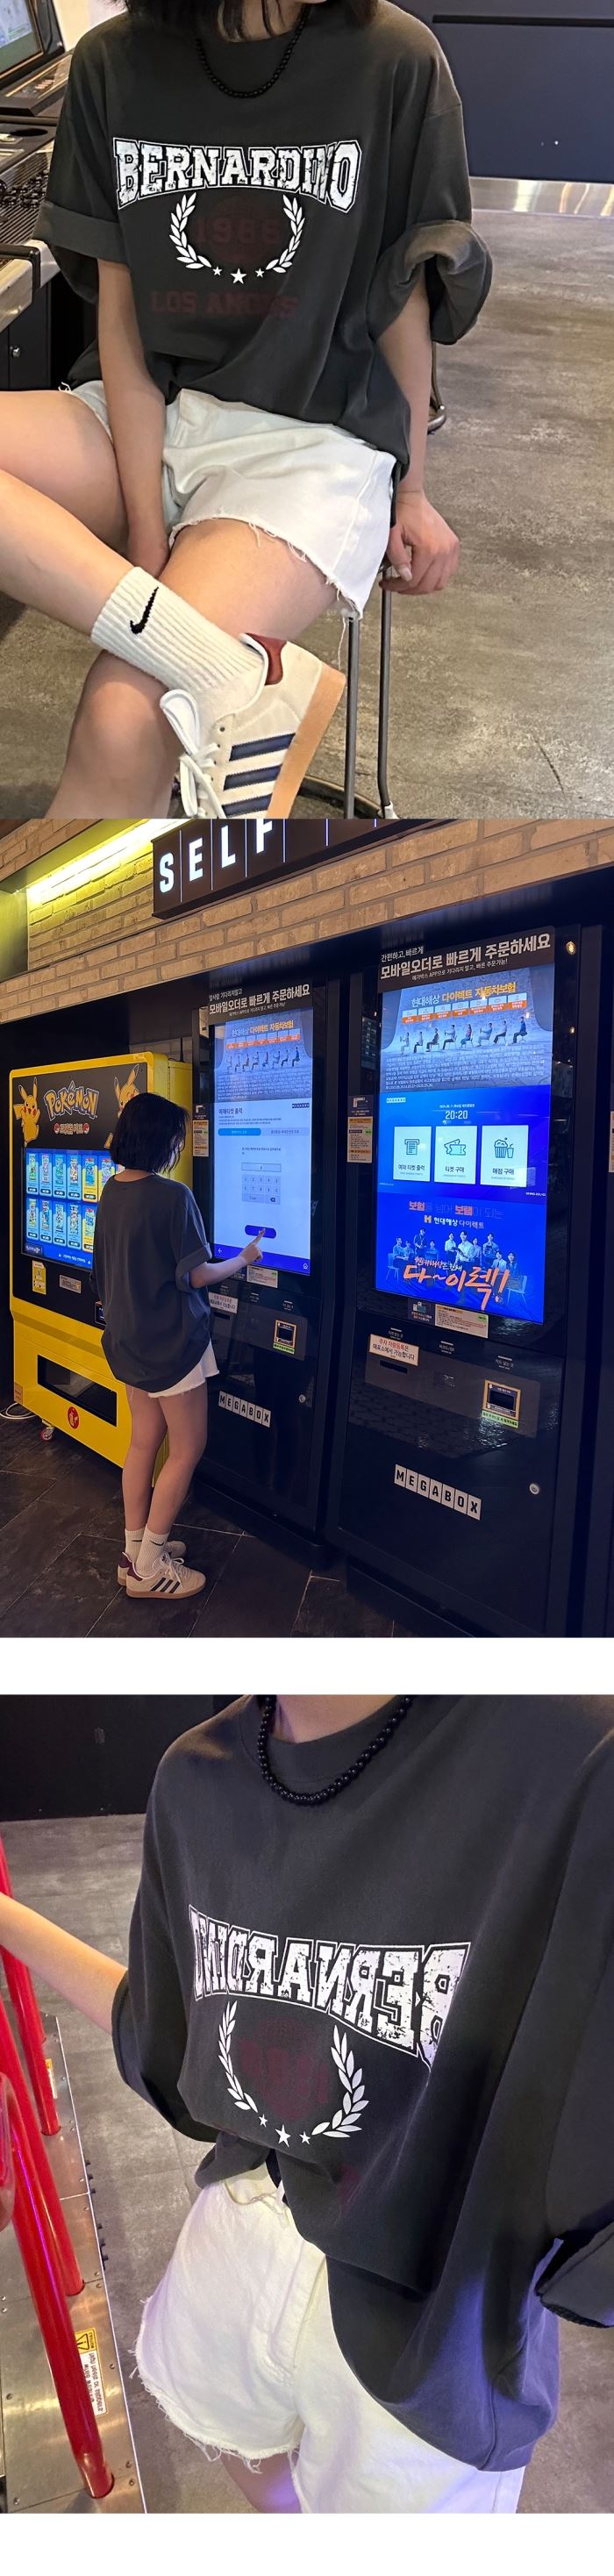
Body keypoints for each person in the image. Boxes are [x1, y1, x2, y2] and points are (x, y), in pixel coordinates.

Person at [1, 1692, 612, 2515]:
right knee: (230, 2434)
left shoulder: (577, 1760)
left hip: (435, 2327)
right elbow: (163, 2032)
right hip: (246, 2221)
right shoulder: (197, 1777)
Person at [0, 0, 491, 821]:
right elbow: (120, 320)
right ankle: (216, 666)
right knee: (152, 693)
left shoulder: (396, 59)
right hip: (148, 411)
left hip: (314, 440)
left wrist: (410, 490)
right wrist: (147, 535)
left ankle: (75, 929)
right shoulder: (113, 61)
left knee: (126, 721)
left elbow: (403, 298)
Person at [92, 1087, 263, 1598]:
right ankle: (150, 1567)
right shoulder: (173, 1196)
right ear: (162, 1142)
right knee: (187, 1449)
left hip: (128, 1342)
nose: (180, 1148)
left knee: (142, 1442)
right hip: (172, 1345)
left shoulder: (111, 1190)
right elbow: (195, 1276)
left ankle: (134, 1551)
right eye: (177, 1139)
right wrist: (244, 1259)